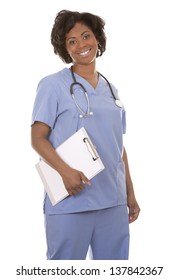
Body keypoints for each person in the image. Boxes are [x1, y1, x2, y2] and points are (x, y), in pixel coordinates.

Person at [31, 9, 140, 260]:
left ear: (97, 40)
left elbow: (118, 146)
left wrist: (130, 193)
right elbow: (37, 138)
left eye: (86, 36)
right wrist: (66, 172)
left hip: (112, 202)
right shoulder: (53, 85)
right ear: (65, 49)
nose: (81, 44)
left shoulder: (111, 90)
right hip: (71, 201)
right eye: (72, 41)